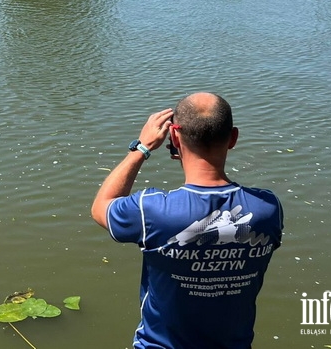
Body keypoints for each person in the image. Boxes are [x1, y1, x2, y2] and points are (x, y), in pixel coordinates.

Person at [91, 93, 283, 349]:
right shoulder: (268, 208)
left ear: (174, 138)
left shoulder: (152, 211)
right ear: (233, 138)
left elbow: (101, 207)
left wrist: (142, 149)